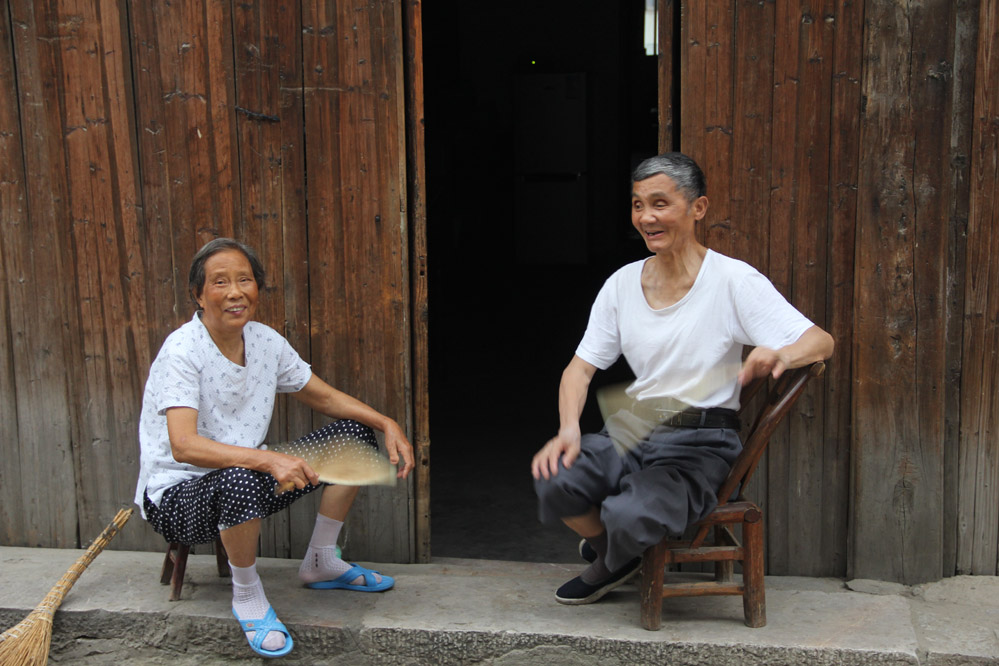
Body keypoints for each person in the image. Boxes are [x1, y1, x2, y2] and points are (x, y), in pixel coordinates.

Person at [531, 152, 833, 605]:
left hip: (700, 441)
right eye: (637, 205)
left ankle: (611, 554)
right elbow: (580, 368)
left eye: (660, 203)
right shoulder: (621, 284)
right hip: (632, 428)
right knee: (556, 479)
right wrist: (569, 429)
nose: (646, 217)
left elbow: (821, 341)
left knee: (629, 512)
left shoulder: (733, 281)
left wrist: (782, 354)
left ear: (698, 208)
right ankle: (616, 553)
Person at [134, 237, 414, 658]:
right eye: (220, 282)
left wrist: (385, 422)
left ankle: (321, 560)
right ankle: (247, 594)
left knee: (353, 435)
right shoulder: (183, 350)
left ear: (257, 288)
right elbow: (184, 446)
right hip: (179, 498)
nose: (235, 292)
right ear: (198, 295)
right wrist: (267, 459)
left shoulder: (265, 342)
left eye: (244, 280)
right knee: (240, 477)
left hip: (248, 475)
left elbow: (323, 396)